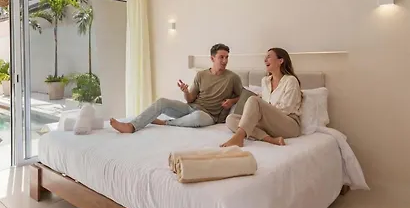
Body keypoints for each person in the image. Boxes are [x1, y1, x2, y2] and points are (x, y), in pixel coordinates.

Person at [111, 43, 243, 133]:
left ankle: (165, 123)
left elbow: (243, 96)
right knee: (162, 102)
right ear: (212, 58)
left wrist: (232, 101)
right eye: (221, 57)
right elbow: (190, 99)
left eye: (227, 57)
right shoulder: (201, 75)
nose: (225, 61)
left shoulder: (232, 78)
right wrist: (185, 91)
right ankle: (132, 126)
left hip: (209, 116)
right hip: (191, 108)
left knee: (197, 117)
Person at [221, 47, 302, 148]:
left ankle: (239, 137)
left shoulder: (290, 81)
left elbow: (287, 108)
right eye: (265, 57)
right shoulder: (265, 81)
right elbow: (264, 101)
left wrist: (263, 112)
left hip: (289, 125)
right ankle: (270, 139)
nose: (265, 60)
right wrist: (257, 114)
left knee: (254, 100)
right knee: (231, 119)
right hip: (270, 124)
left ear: (280, 61)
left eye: (269, 57)